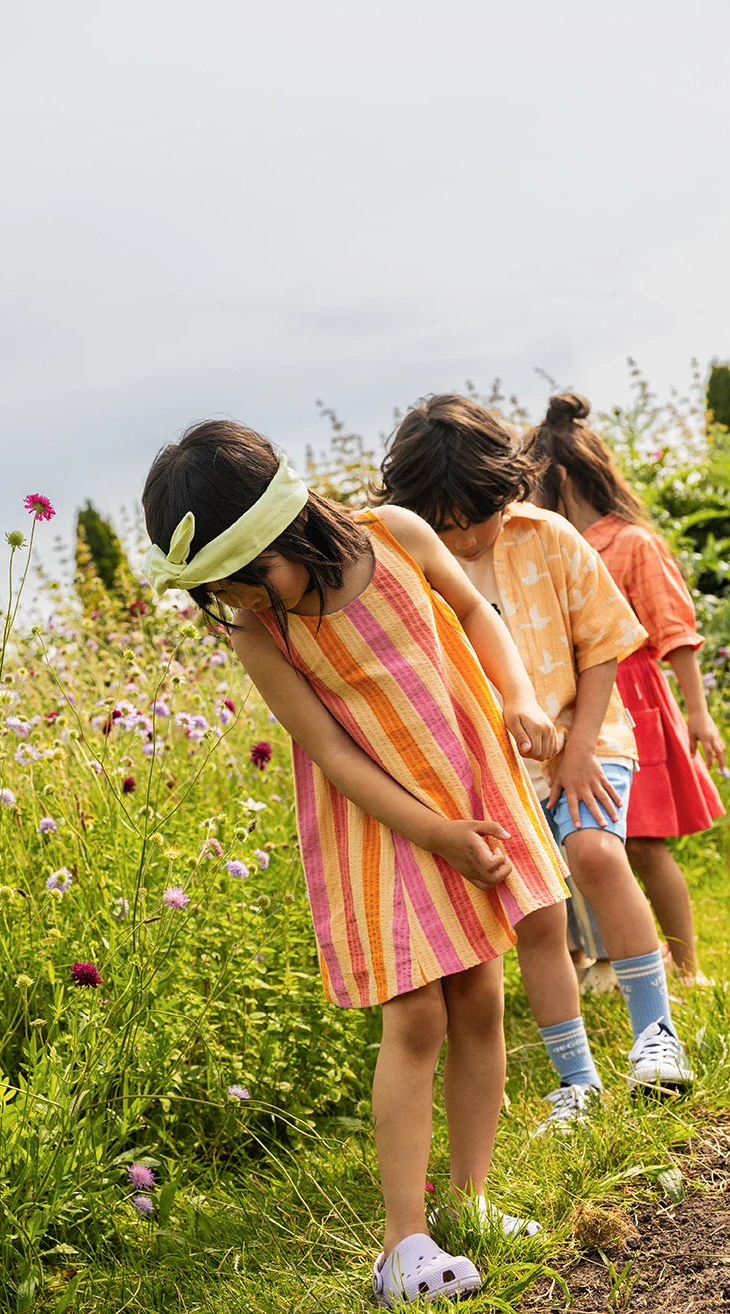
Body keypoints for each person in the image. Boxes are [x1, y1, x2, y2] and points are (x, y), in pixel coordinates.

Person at [141, 420, 570, 1306]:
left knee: (482, 998)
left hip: (467, 790)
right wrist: (437, 833)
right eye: (222, 594)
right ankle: (402, 1243)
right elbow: (336, 759)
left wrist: (520, 696)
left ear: (286, 534)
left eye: (249, 582)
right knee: (416, 1014)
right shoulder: (264, 636)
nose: (247, 603)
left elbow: (477, 614)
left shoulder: (401, 538)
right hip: (382, 825)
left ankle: (473, 1203)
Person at [372, 394, 693, 1136]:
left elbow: (606, 643)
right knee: (541, 921)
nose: (461, 539)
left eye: (472, 521)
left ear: (504, 487)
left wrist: (579, 751)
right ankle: (576, 1082)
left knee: (596, 855)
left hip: (586, 738)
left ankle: (656, 1036)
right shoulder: (413, 567)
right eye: (443, 528)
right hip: (498, 773)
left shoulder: (546, 535)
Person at [528, 393, 725, 986]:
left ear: (559, 476)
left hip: (637, 700)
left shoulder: (633, 543)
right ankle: (623, 961)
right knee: (595, 844)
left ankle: (688, 971)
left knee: (645, 845)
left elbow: (675, 633)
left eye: (535, 481)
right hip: (583, 704)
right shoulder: (550, 546)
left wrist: (699, 713)